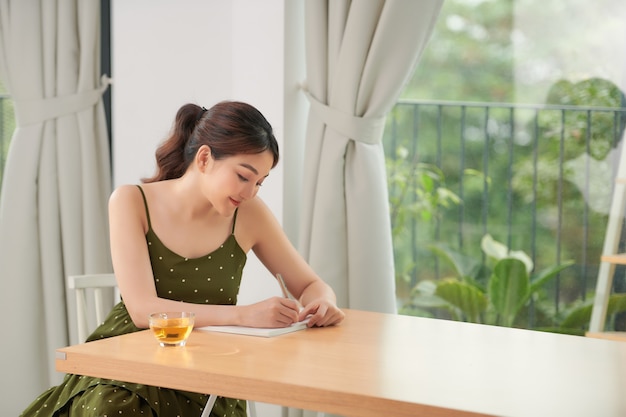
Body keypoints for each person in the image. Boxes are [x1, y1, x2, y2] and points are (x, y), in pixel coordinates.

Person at [20, 101, 345, 417]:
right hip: (130, 362)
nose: (251, 193)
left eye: (260, 182)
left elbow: (311, 284)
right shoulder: (131, 201)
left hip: (208, 369)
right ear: (204, 158)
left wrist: (322, 303)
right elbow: (143, 311)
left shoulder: (249, 214)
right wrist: (244, 315)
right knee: (112, 408)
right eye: (244, 177)